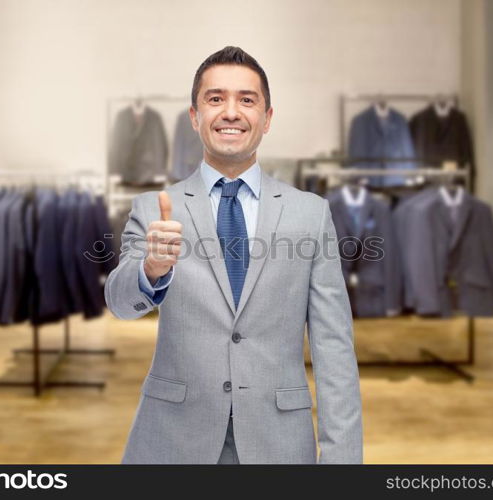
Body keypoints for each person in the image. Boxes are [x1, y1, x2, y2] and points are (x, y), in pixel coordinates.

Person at [105, 46, 362, 464]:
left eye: (246, 100)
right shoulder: (155, 208)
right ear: (194, 116)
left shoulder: (310, 214)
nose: (230, 112)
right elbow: (119, 304)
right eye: (215, 99)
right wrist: (151, 268)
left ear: (267, 118)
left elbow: (334, 348)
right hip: (172, 441)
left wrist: (343, 462)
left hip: (278, 443)